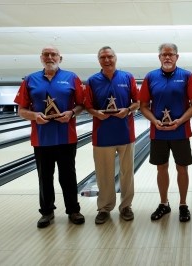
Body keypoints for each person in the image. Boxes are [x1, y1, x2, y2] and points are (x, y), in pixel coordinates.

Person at [14, 45, 85, 228]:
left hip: (66, 137)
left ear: (60, 58)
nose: (50, 57)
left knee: (68, 176)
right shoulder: (30, 80)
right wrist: (34, 116)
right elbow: (21, 110)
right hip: (41, 138)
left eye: (54, 55)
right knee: (45, 177)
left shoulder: (72, 77)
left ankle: (73, 210)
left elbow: (81, 105)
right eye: (46, 54)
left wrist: (71, 113)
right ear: (41, 58)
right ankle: (46, 212)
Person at [139, 43, 192, 222]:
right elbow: (143, 106)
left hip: (180, 132)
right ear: (159, 57)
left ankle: (183, 204)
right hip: (158, 133)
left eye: (170, 54)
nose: (167, 57)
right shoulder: (150, 77)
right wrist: (154, 120)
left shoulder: (187, 76)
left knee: (182, 168)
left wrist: (180, 121)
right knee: (161, 168)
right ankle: (164, 203)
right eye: (164, 54)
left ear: (176, 57)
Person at [84, 46, 139, 224]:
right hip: (102, 135)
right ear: (98, 60)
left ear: (116, 58)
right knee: (103, 174)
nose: (107, 60)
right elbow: (88, 106)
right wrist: (96, 113)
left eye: (110, 56)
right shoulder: (92, 81)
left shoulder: (127, 77)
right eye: (103, 57)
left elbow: (137, 102)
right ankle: (104, 208)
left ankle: (126, 207)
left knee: (127, 173)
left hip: (125, 133)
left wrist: (128, 109)